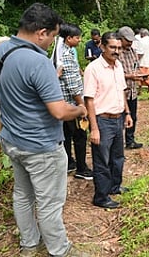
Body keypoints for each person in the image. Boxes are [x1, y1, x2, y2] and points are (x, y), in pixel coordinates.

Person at [0, 3, 89, 257]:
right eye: (53, 36)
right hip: (41, 146)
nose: (52, 42)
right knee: (50, 202)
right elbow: (59, 112)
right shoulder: (38, 61)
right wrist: (80, 110)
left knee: (22, 195)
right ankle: (60, 250)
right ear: (41, 32)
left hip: (12, 141)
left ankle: (29, 244)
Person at [84, 31, 133, 209]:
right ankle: (101, 196)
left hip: (118, 118)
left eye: (119, 48)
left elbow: (122, 90)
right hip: (102, 120)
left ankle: (114, 186)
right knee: (101, 160)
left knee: (117, 156)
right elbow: (88, 100)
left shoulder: (118, 66)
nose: (116, 51)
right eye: (112, 47)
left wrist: (127, 113)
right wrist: (94, 128)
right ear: (102, 47)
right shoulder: (93, 69)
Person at [58, 23, 93, 180]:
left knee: (66, 135)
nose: (80, 40)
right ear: (68, 38)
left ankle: (68, 164)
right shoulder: (66, 55)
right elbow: (73, 85)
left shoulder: (61, 52)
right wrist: (81, 105)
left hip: (63, 103)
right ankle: (81, 167)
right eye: (77, 37)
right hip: (72, 104)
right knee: (80, 135)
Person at [117, 26, 145, 150]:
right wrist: (130, 76)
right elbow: (114, 74)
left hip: (132, 91)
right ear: (120, 38)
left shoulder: (132, 51)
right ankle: (116, 145)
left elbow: (135, 67)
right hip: (119, 93)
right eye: (128, 40)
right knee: (119, 120)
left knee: (132, 117)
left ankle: (130, 140)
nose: (130, 43)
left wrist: (139, 76)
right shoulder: (116, 53)